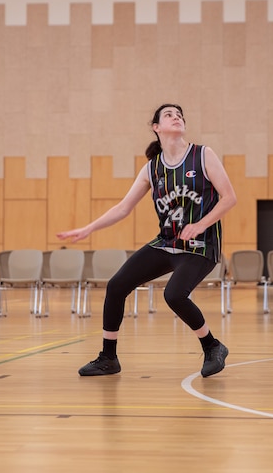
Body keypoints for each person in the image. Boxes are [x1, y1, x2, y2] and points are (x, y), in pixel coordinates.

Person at [57, 103, 237, 378]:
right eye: (169, 114)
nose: (176, 117)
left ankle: (212, 346)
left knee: (174, 294)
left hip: (202, 246)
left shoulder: (203, 155)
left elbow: (230, 198)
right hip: (166, 243)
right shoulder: (152, 169)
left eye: (179, 114)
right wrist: (88, 228)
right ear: (156, 128)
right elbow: (122, 208)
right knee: (117, 285)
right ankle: (108, 357)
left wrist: (200, 225)